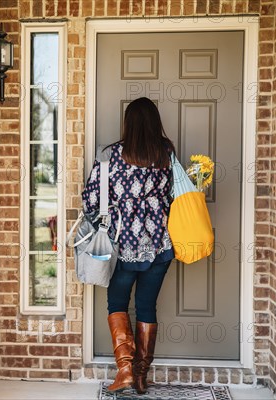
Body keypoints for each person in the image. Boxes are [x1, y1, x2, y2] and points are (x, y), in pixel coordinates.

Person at [81, 97, 175, 394]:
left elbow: (91, 201)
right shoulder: (165, 153)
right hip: (159, 244)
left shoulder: (110, 156)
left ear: (128, 123)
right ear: (155, 122)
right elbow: (176, 195)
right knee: (147, 306)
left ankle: (124, 373)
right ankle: (141, 376)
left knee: (117, 304)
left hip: (121, 245)